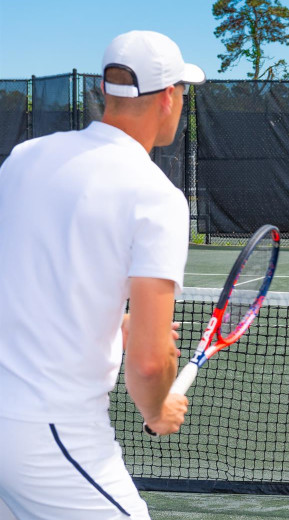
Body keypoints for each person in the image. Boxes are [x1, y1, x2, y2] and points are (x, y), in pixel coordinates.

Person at [0, 31, 205, 519]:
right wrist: (157, 409)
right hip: (48, 433)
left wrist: (113, 326)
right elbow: (152, 364)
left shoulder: (24, 159)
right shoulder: (157, 199)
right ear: (170, 98)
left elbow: (28, 273)